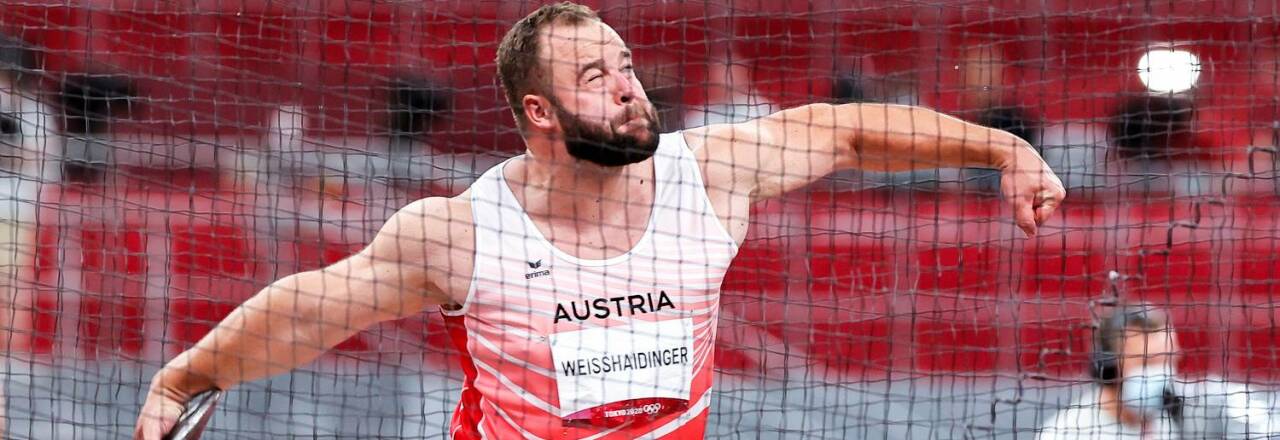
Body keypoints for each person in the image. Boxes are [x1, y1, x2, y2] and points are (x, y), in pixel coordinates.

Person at [133, 2, 1066, 439]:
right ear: (538, 114)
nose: (628, 90)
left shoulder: (710, 173)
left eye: (624, 66)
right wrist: (183, 380)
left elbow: (849, 133)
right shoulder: (460, 233)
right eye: (595, 78)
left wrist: (1001, 148)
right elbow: (309, 307)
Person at [1037, 304, 1280, 439]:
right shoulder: (1069, 433)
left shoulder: (1176, 415)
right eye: (1148, 361)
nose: (1161, 373)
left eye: (1168, 360)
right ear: (1107, 368)